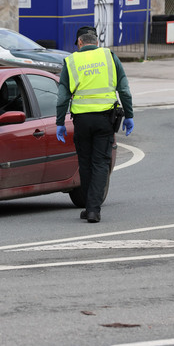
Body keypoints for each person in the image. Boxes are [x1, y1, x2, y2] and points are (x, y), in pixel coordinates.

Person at [55, 26, 134, 223]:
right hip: (104, 119)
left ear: (80, 43)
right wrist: (129, 115)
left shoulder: (71, 61)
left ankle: (90, 206)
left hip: (82, 120)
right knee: (100, 163)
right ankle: (93, 209)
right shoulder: (109, 56)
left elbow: (62, 96)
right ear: (96, 42)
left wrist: (59, 122)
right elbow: (124, 88)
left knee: (85, 163)